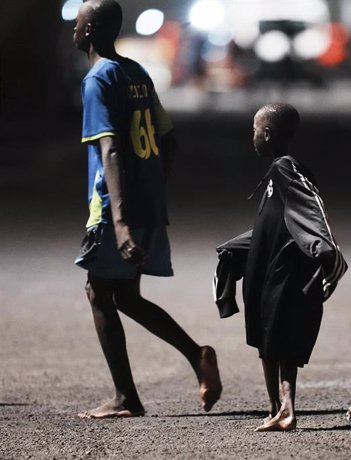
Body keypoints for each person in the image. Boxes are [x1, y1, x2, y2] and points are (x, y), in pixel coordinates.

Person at [72, 0, 221, 418]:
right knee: (126, 295)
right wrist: (153, 186)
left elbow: (111, 149)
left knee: (99, 292)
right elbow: (168, 138)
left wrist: (118, 223)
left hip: (115, 206)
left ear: (90, 31)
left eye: (79, 23)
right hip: (147, 201)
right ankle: (197, 355)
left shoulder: (97, 80)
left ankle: (125, 398)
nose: (74, 30)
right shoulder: (136, 72)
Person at [215, 103, 347, 432]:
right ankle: (274, 407)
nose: (254, 138)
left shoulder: (288, 168)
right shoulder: (275, 171)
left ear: (268, 134)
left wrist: (325, 246)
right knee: (264, 335)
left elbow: (311, 205)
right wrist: (239, 247)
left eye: (255, 131)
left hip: (285, 265)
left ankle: (287, 408)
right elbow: (276, 220)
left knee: (281, 336)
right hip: (265, 261)